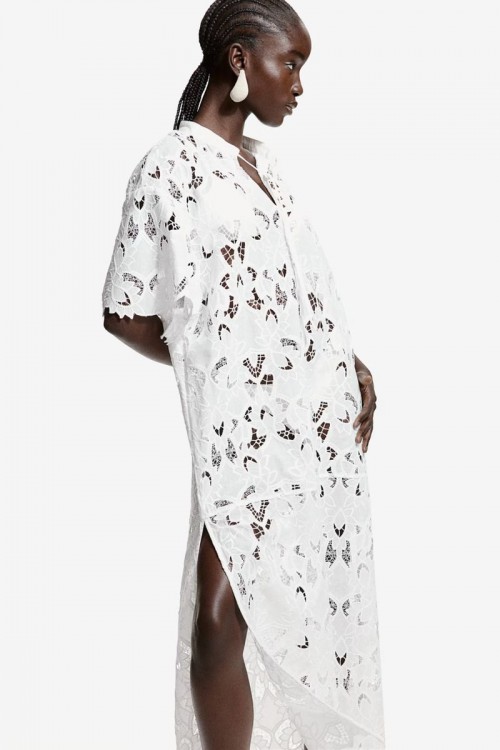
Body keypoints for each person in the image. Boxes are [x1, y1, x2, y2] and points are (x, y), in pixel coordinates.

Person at [102, 1, 386, 748]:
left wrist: (346, 363)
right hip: (242, 432)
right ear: (239, 60)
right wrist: (226, 365)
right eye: (290, 62)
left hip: (316, 433)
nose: (299, 83)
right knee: (219, 618)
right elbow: (126, 313)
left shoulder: (267, 168)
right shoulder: (168, 169)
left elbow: (294, 295)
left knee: (304, 610)